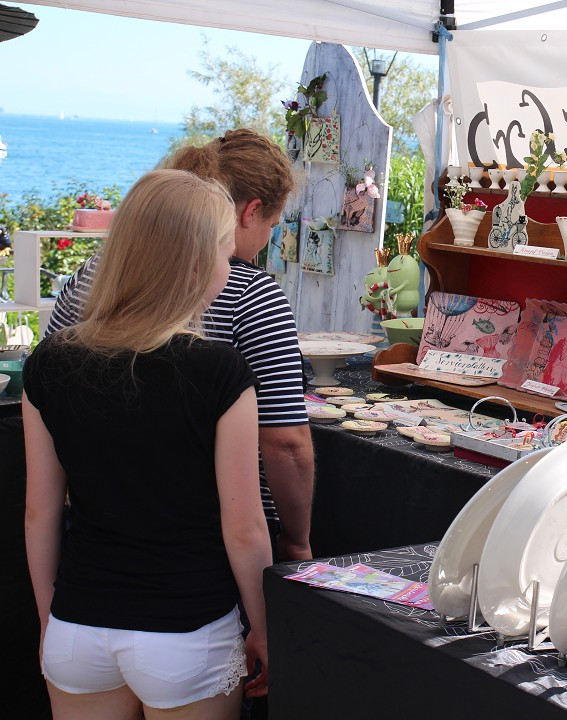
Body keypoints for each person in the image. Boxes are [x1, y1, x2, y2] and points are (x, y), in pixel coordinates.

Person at [24, 170, 273, 719]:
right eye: (226, 256)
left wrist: (50, 618)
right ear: (192, 263)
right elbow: (244, 528)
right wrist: (262, 625)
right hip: (188, 629)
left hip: (78, 624)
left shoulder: (49, 363)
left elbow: (40, 513)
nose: (230, 270)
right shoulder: (218, 370)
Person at [46, 129, 314, 561]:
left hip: (94, 529)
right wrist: (297, 539)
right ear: (252, 212)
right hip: (212, 543)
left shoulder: (96, 271)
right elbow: (286, 442)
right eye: (272, 224)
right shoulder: (252, 294)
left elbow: (49, 388)